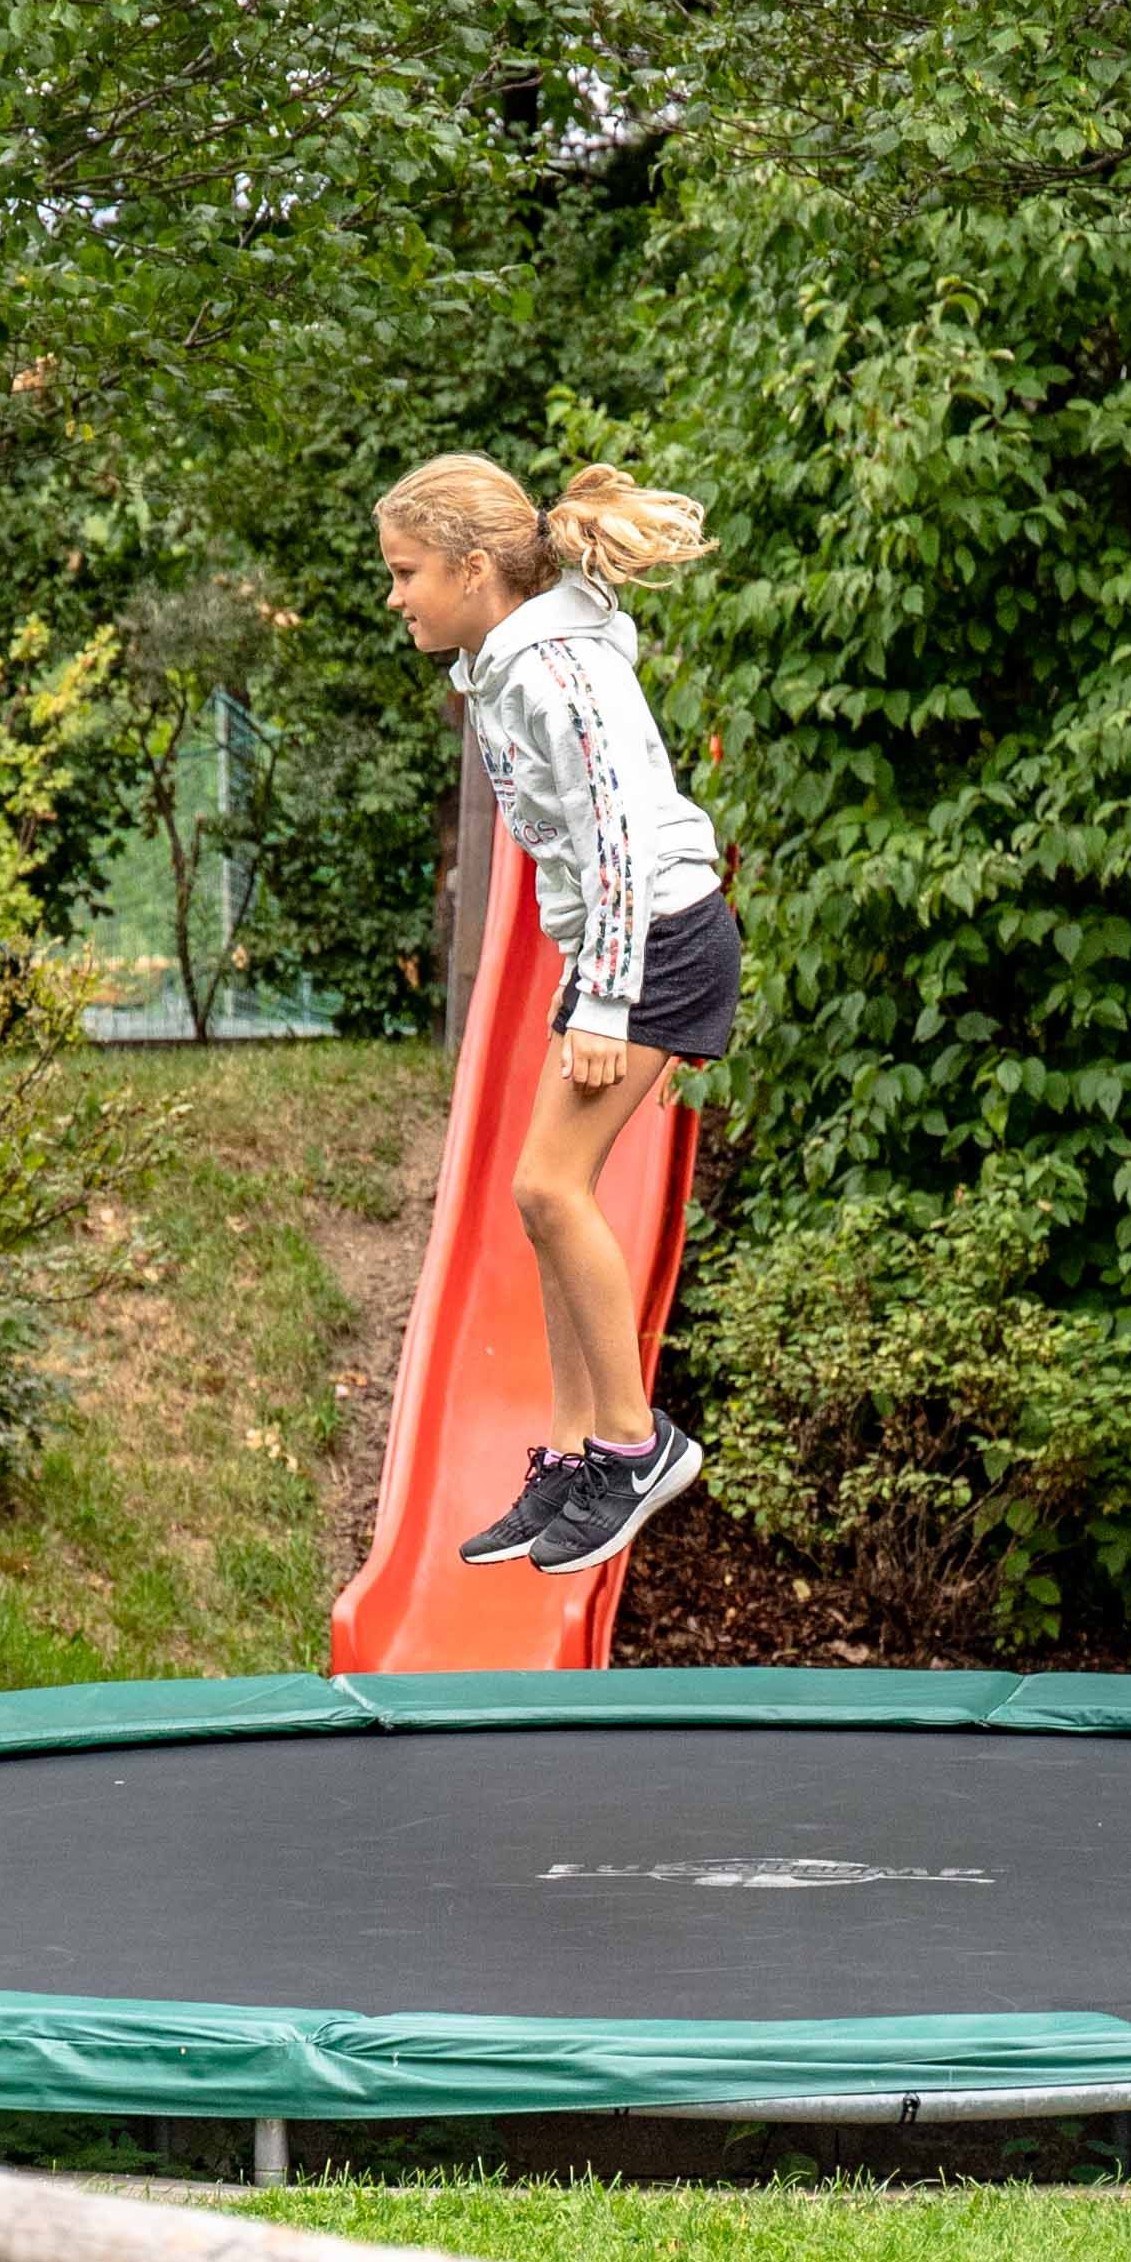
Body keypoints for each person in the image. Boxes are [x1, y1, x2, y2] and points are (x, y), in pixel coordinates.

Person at [375, 453, 737, 1576]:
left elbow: (623, 834)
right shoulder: (503, 660)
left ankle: (636, 1446)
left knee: (546, 1184)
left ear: (474, 567)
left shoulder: (555, 666)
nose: (395, 596)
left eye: (407, 572)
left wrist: (609, 992)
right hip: (624, 949)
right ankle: (582, 1450)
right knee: (542, 1196)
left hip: (664, 941)